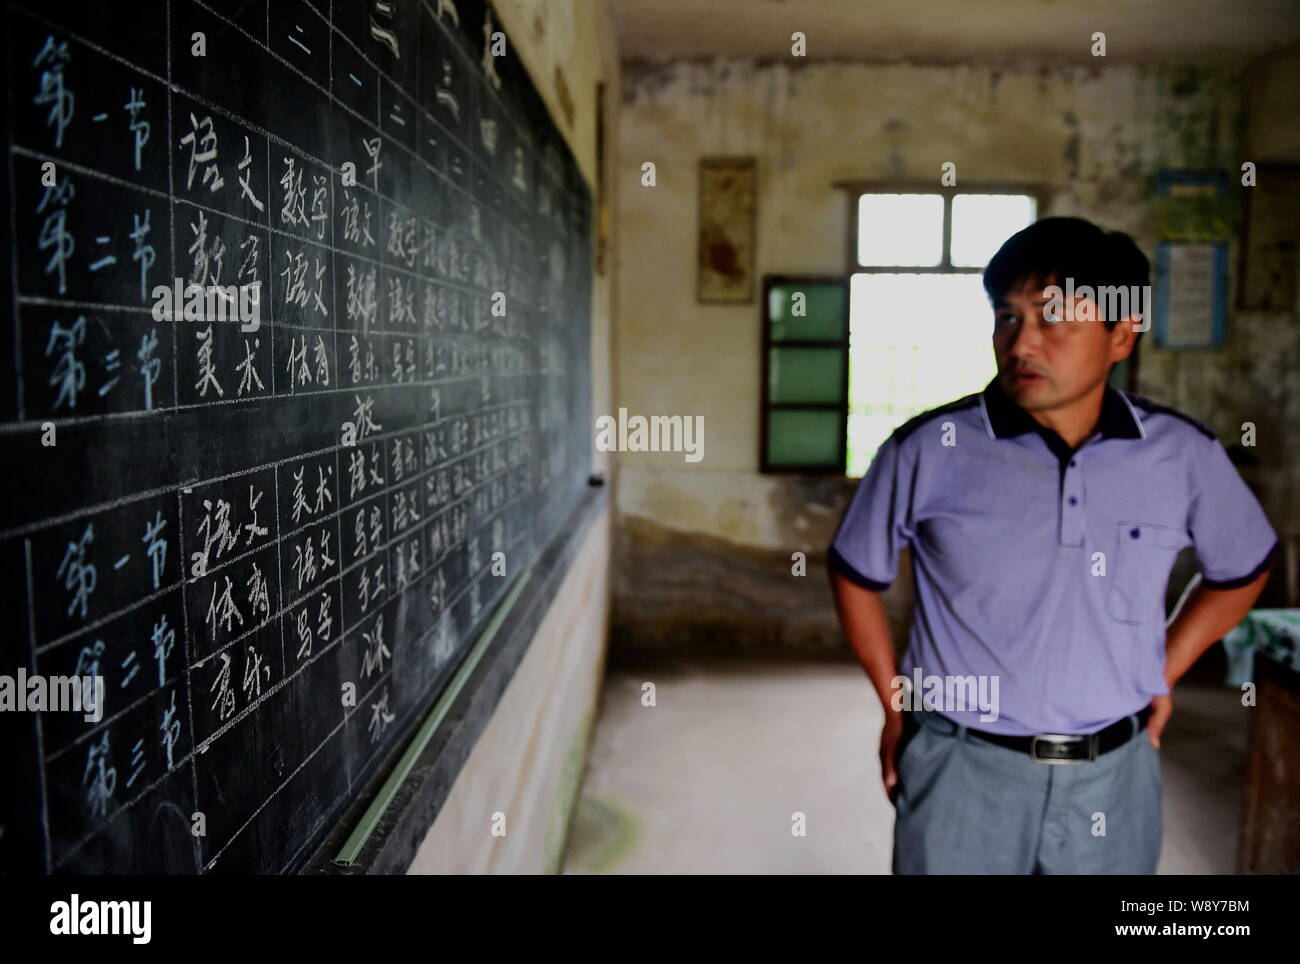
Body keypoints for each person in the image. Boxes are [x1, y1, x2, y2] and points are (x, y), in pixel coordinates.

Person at [827, 216, 1278, 874]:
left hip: (1113, 779)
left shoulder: (1182, 457)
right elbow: (854, 573)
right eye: (1006, 318)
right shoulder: (931, 448)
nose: (1021, 344)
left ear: (1121, 333)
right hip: (961, 769)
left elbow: (1242, 568)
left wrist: (1164, 667)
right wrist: (895, 704)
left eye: (1053, 318)